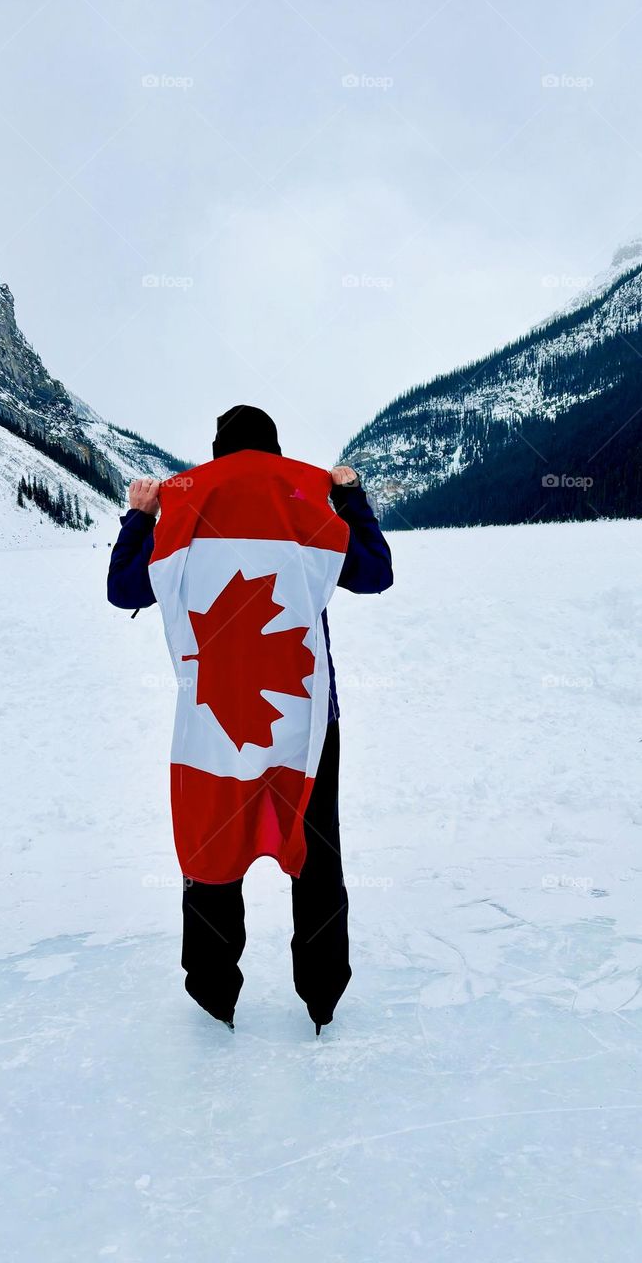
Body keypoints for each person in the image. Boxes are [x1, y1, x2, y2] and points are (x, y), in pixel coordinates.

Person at [107, 406, 393, 1033]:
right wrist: (349, 498)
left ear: (217, 451)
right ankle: (323, 995)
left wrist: (141, 515)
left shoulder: (184, 507)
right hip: (307, 719)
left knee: (212, 849)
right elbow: (375, 574)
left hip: (216, 725)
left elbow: (126, 588)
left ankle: (213, 995)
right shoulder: (304, 501)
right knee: (317, 854)